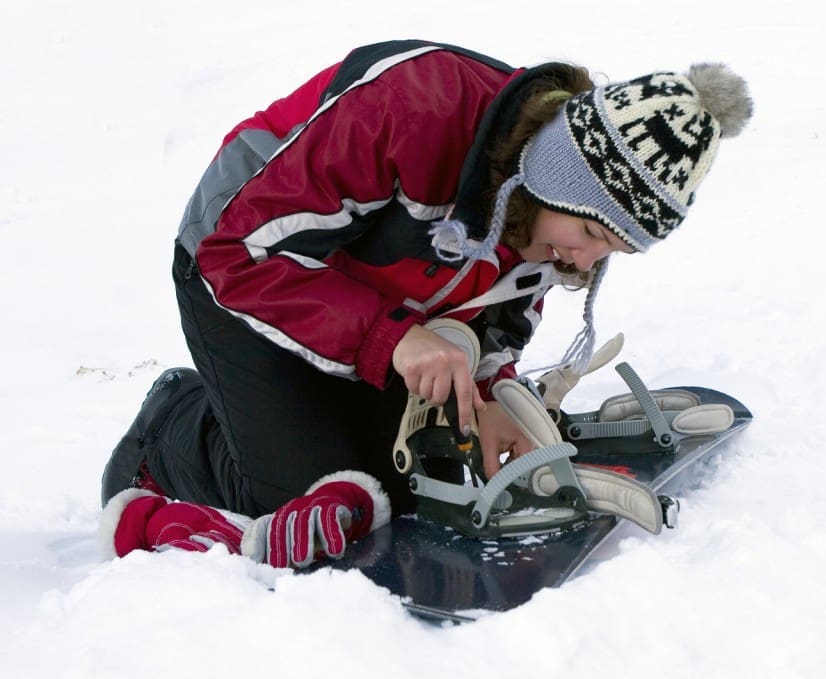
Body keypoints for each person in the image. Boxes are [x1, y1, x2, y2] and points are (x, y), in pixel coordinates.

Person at [98, 39, 752, 568]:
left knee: (407, 481)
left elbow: (504, 309)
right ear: (554, 179)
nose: (583, 261)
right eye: (589, 235)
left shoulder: (544, 219)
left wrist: (492, 386)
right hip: (240, 267)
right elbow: (238, 252)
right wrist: (395, 341)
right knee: (307, 507)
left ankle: (298, 412)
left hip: (371, 302)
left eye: (611, 250)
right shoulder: (413, 109)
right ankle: (170, 431)